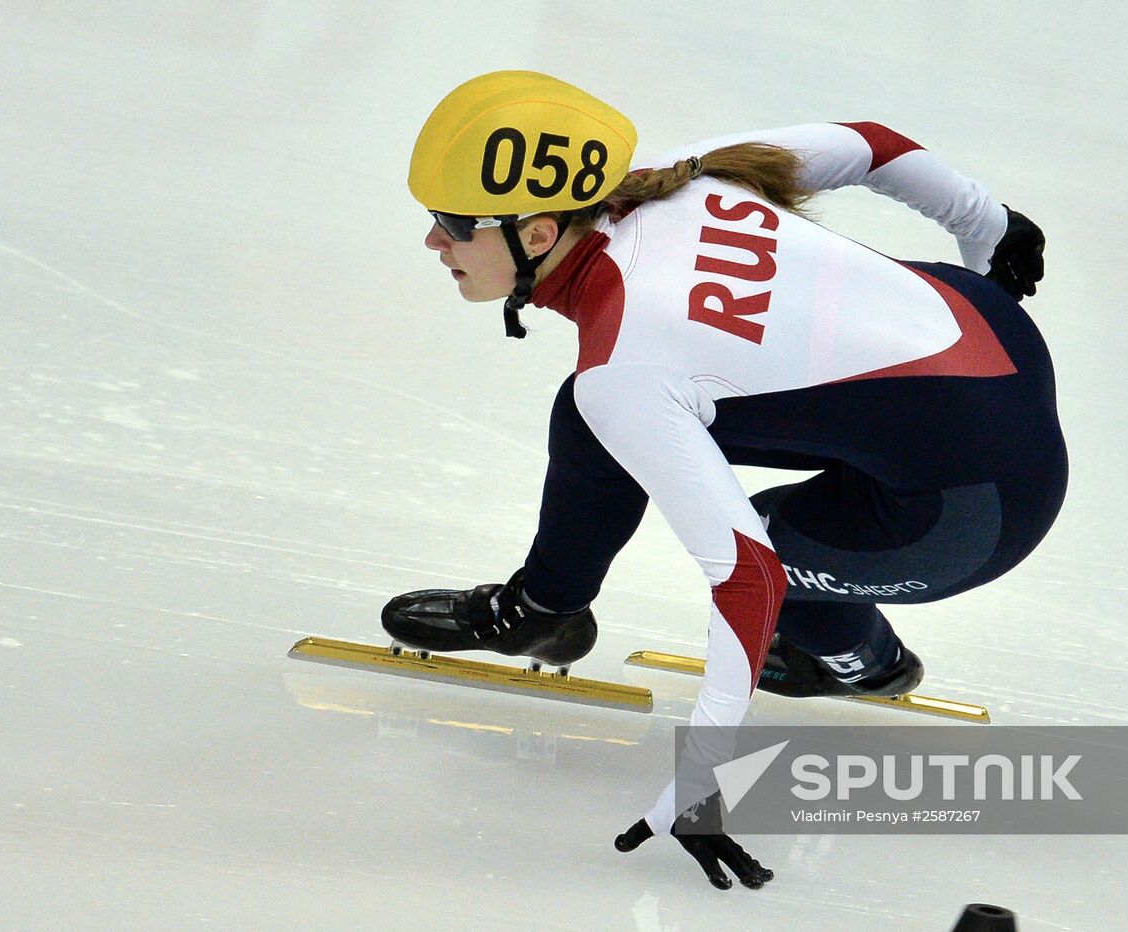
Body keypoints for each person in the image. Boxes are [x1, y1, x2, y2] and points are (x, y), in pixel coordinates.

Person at [384, 70, 1066, 890]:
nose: (434, 244)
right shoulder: (685, 173)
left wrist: (701, 783)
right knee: (595, 411)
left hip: (979, 506)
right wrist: (990, 225)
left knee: (767, 524)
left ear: (535, 235)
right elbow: (872, 144)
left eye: (451, 227)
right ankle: (547, 611)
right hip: (987, 334)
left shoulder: (628, 364)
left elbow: (749, 578)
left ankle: (862, 659)